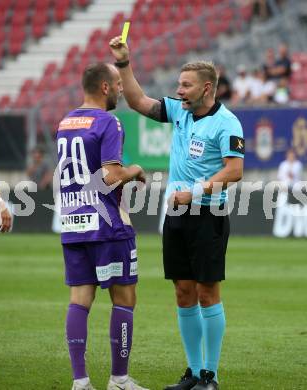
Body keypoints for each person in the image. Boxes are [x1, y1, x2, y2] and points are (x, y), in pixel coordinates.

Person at [109, 37, 244, 390]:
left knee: (206, 293)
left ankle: (211, 377)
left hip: (208, 216)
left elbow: (234, 171)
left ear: (207, 88)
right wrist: (124, 62)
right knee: (183, 291)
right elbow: (137, 100)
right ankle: (195, 372)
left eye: (186, 85)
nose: (179, 90)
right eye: (179, 85)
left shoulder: (227, 122)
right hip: (176, 216)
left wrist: (194, 192)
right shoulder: (180, 111)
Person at [56, 62, 149, 390]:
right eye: (118, 84)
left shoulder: (65, 122)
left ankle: (80, 381)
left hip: (72, 221)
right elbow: (109, 176)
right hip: (107, 225)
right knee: (124, 298)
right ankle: (119, 379)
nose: (123, 89)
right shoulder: (109, 122)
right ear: (105, 87)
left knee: (79, 299)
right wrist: (135, 169)